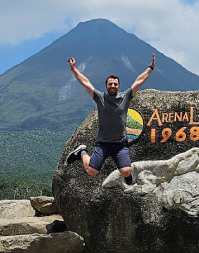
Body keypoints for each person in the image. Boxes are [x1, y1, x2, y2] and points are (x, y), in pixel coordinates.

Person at [65, 54, 156, 185]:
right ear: (106, 86)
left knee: (126, 171)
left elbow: (139, 81)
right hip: (103, 144)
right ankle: (82, 152)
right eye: (110, 84)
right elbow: (85, 82)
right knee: (91, 171)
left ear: (118, 86)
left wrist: (150, 68)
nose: (113, 86)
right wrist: (74, 68)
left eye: (115, 84)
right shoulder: (100, 98)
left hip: (120, 144)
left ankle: (126, 174)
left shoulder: (125, 97)